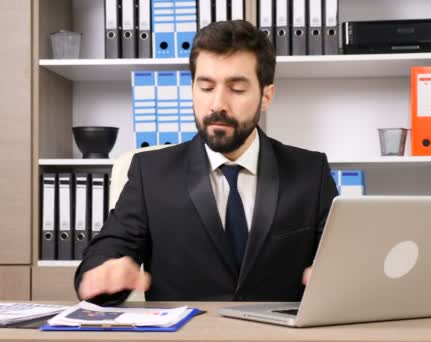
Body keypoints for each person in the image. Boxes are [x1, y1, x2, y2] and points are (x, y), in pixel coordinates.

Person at [75, 20, 338, 305]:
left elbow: (344, 258)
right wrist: (105, 274)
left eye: (236, 89)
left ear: (266, 96)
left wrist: (340, 275)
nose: (217, 105)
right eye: (206, 87)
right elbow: (107, 252)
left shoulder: (310, 172)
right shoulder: (149, 173)